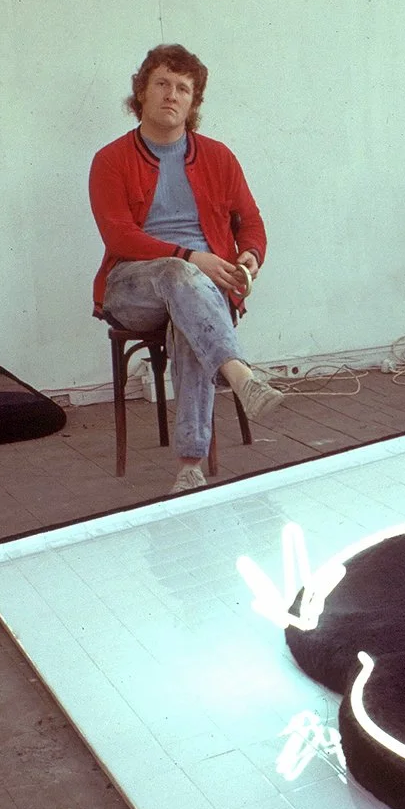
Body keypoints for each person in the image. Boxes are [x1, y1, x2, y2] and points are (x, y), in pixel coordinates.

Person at [90, 44, 284, 493]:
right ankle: (240, 375)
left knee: (189, 316)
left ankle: (189, 467)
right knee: (180, 277)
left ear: (194, 103)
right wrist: (190, 257)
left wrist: (248, 258)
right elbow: (119, 236)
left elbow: (250, 223)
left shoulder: (218, 157)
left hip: (203, 288)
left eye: (183, 88)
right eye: (161, 84)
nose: (171, 95)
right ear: (141, 92)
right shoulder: (111, 160)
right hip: (133, 284)